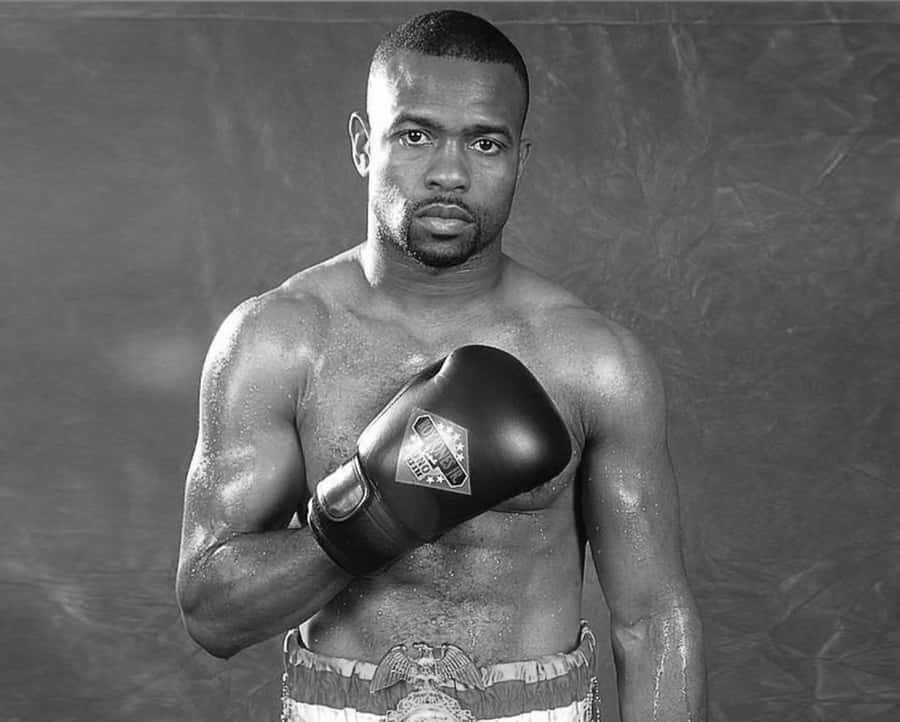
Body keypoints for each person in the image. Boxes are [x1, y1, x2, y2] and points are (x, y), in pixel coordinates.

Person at [176, 9, 706, 722]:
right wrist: (372, 515)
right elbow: (213, 613)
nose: (450, 173)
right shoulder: (277, 341)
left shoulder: (593, 361)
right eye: (416, 135)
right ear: (365, 145)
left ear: (521, 156)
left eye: (485, 142)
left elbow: (652, 624)